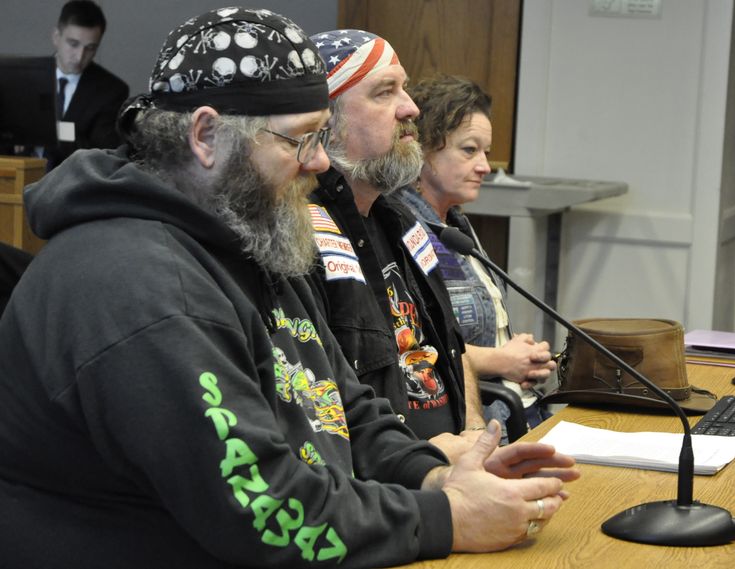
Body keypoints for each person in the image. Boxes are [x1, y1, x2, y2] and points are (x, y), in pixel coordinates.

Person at [0, 8, 577, 568]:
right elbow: (265, 511)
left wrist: (434, 473)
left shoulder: (248, 234)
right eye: (300, 140)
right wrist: (447, 516)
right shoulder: (138, 284)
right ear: (206, 136)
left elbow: (343, 405)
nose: (321, 162)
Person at [307, 31, 555, 456]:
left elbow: (451, 349)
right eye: (385, 92)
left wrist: (475, 433)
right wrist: (434, 463)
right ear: (326, 119)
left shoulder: (403, 224)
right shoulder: (301, 236)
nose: (411, 108)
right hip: (398, 485)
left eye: (404, 88)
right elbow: (323, 405)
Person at [400, 74, 555, 440]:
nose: (485, 165)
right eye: (469, 150)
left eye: (485, 151)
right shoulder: (402, 231)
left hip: (517, 409)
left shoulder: (455, 223)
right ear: (422, 150)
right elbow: (413, 348)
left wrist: (523, 354)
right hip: (479, 426)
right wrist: (504, 361)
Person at [48, 0, 129, 168]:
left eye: (90, 48)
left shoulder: (111, 91)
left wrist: (51, 130)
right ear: (56, 37)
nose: (79, 56)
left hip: (73, 184)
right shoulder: (25, 76)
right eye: (73, 44)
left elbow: (103, 153)